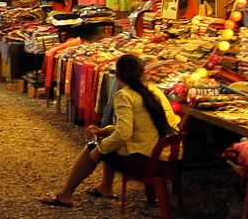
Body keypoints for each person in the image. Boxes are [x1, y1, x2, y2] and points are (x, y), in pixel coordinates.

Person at [41, 54, 180, 207]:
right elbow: (135, 127)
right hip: (168, 159)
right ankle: (105, 187)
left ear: (118, 76)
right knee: (107, 141)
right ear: (143, 73)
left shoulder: (125, 95)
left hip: (146, 161)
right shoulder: (154, 90)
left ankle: (65, 194)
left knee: (94, 146)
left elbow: (122, 134)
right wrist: (103, 131)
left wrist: (99, 149)